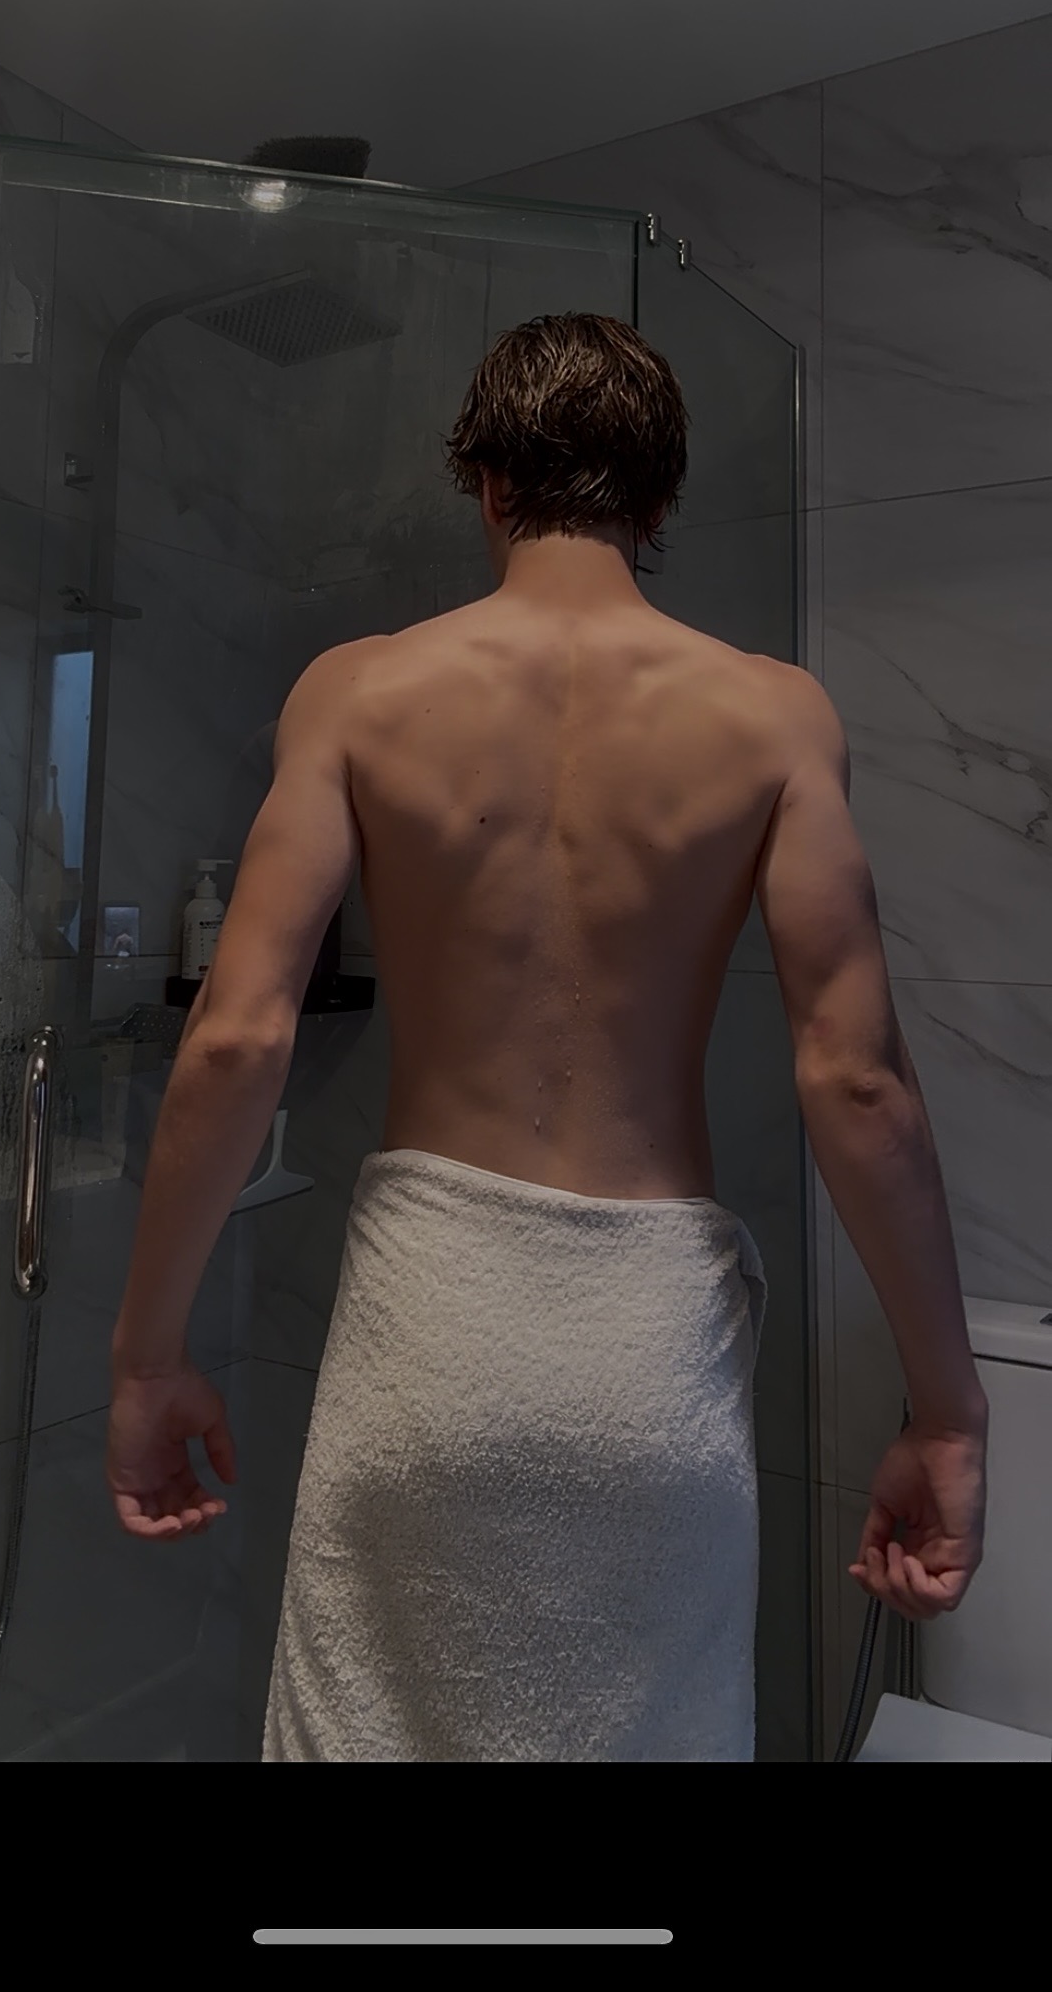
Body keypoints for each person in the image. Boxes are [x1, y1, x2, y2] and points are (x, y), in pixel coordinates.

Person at [106, 312, 987, 1763]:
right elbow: (856, 1080)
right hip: (649, 1363)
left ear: (487, 481)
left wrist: (149, 1360)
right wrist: (947, 1413)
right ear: (659, 501)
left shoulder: (356, 692)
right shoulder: (774, 718)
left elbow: (237, 1039)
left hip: (426, 1343)